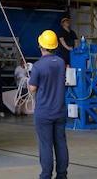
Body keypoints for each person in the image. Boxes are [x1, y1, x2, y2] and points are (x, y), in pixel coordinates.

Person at [29, 30, 68, 179]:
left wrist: (29, 80)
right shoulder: (60, 62)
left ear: (41, 45)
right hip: (60, 111)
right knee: (60, 143)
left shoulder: (38, 66)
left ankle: (46, 175)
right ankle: (62, 175)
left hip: (44, 113)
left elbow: (32, 88)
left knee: (46, 146)